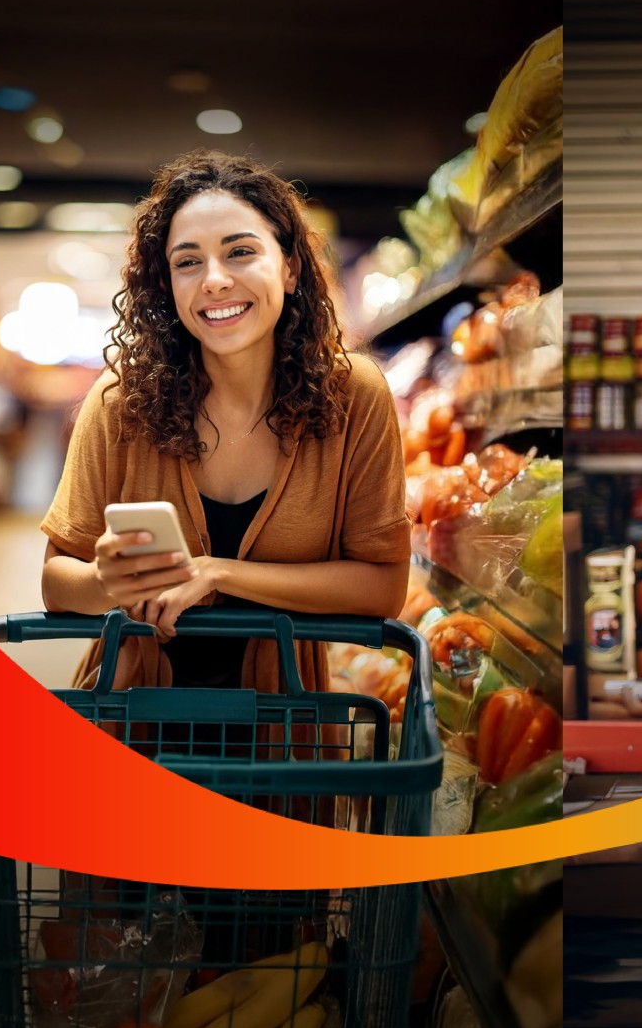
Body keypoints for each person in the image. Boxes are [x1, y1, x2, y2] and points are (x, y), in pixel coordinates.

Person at [40, 149, 411, 697]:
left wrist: (215, 573)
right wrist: (105, 582)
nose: (214, 280)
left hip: (286, 735)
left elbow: (383, 587)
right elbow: (55, 580)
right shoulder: (122, 402)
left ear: (290, 269)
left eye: (240, 252)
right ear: (166, 285)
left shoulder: (353, 397)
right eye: (187, 261)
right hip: (134, 722)